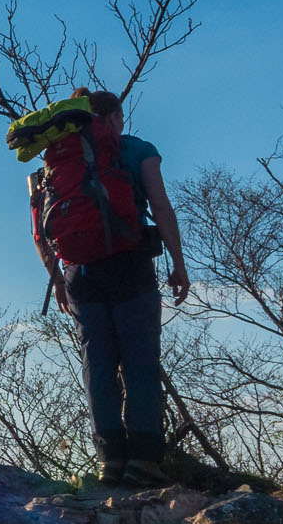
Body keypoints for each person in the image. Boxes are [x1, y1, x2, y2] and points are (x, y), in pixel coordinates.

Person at [35, 88, 191, 485]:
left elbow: (40, 233)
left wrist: (57, 278)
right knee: (138, 360)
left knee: (98, 364)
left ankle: (110, 460)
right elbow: (160, 203)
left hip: (80, 274)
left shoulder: (54, 159)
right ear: (116, 118)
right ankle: (143, 461)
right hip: (129, 264)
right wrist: (178, 261)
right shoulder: (136, 149)